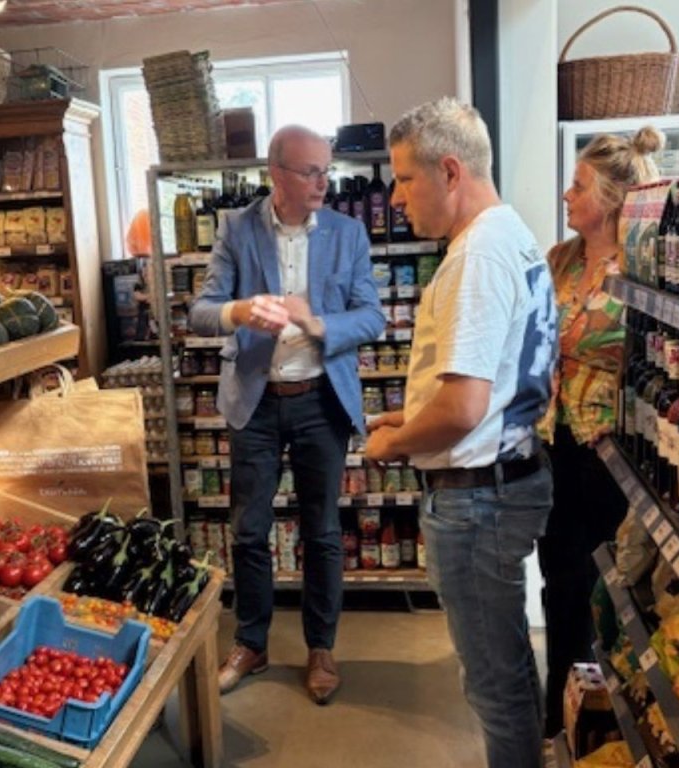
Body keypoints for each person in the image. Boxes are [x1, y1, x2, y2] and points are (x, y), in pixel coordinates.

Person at [365, 97, 557, 768]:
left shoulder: (476, 257)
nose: (394, 196)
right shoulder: (511, 234)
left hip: (478, 501)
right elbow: (489, 384)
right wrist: (410, 415)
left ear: (450, 171)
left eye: (405, 178)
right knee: (505, 666)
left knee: (494, 683)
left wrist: (393, 443)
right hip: (505, 480)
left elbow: (465, 408)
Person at [189, 125, 384, 705]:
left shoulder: (349, 234)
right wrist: (240, 312)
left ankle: (321, 648)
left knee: (323, 533)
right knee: (249, 532)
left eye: (326, 169)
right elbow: (200, 311)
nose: (324, 181)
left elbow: (372, 316)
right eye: (311, 171)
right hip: (256, 401)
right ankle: (251, 642)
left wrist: (319, 323)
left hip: (321, 401)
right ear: (276, 174)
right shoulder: (236, 229)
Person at [537, 126, 665, 736]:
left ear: (613, 199)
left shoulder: (642, 268)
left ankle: (615, 725)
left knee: (614, 591)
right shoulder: (559, 260)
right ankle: (559, 721)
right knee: (561, 583)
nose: (566, 196)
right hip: (558, 445)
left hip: (617, 454)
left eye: (578, 185)